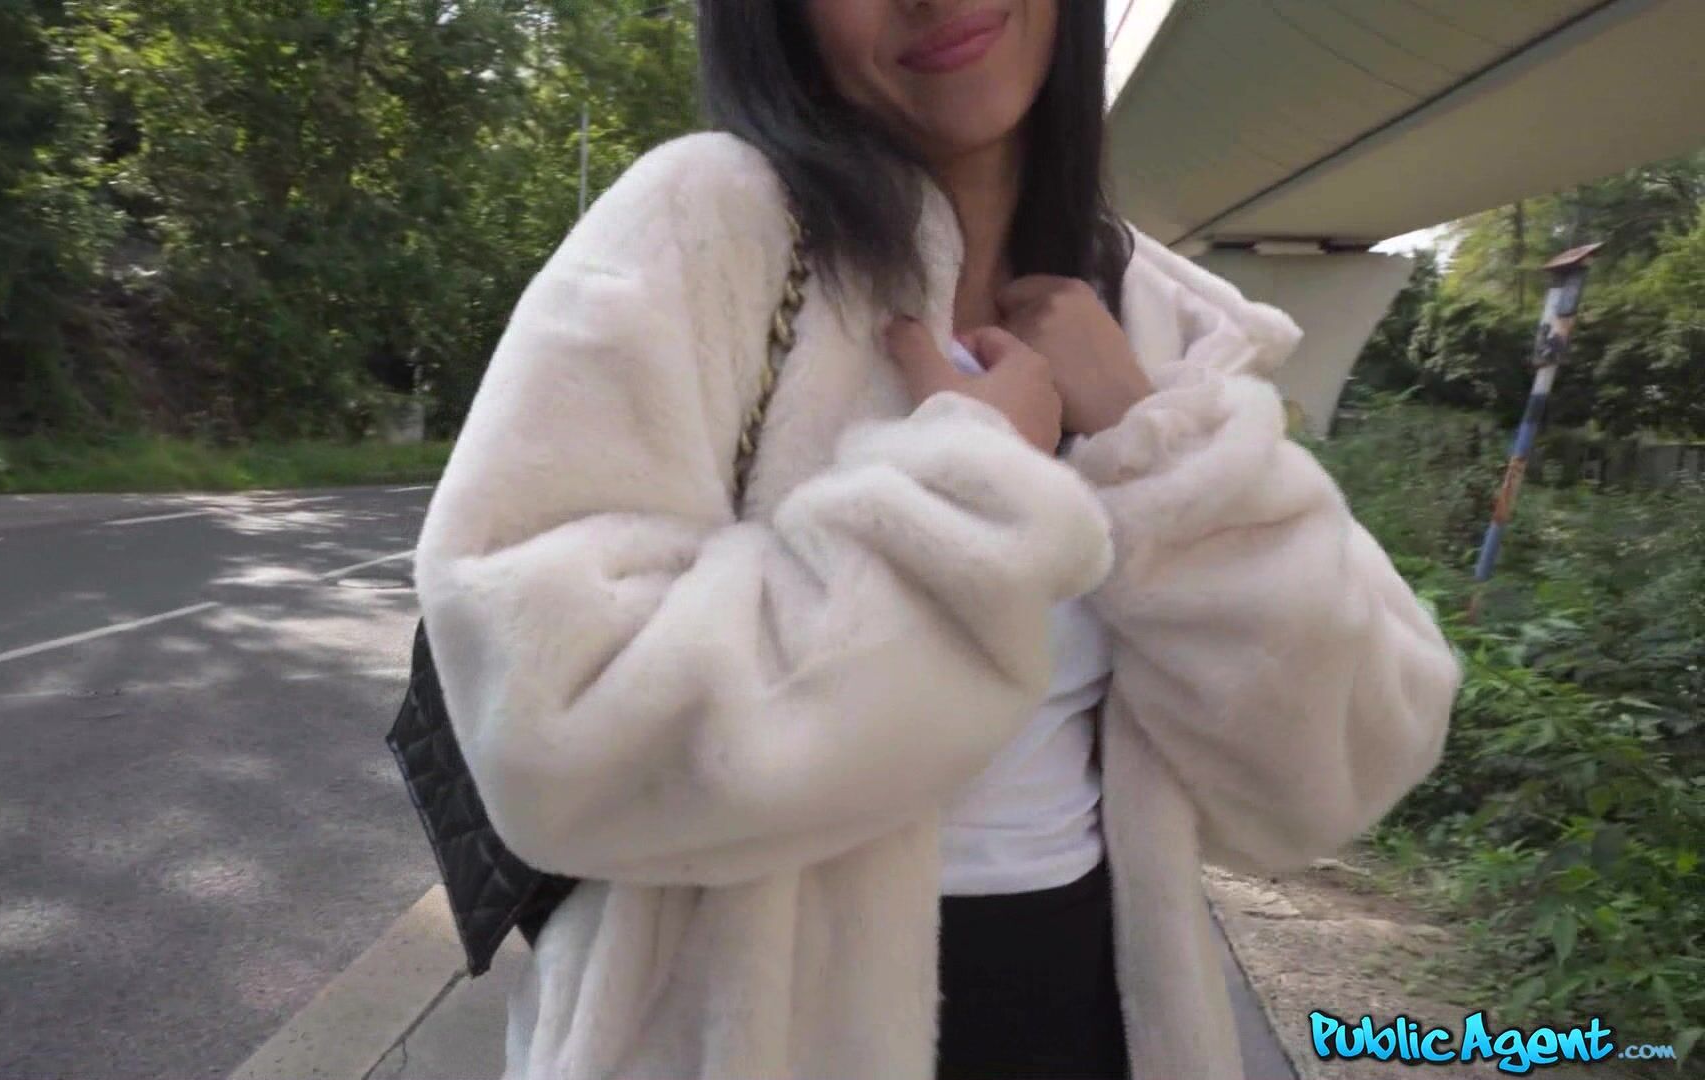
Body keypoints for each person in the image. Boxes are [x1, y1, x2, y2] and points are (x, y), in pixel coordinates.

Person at [411, 1, 1462, 1077]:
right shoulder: (704, 226)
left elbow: (1342, 766)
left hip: (1098, 1018)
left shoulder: (1150, 318)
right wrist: (971, 485)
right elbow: (550, 735)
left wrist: (1153, 446)